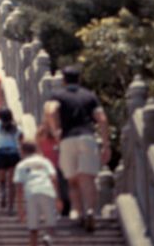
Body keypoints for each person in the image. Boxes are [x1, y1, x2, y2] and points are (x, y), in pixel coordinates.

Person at [45, 65, 110, 233]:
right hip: (87, 138)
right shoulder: (89, 96)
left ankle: (77, 211)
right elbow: (102, 119)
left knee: (72, 180)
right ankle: (90, 211)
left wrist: (55, 131)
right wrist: (106, 144)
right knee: (87, 178)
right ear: (79, 79)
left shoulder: (58, 95)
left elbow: (50, 110)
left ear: (64, 80)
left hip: (67, 139)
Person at [14, 140, 61, 246]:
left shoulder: (21, 165)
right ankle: (47, 237)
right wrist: (58, 198)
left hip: (31, 192)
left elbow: (19, 188)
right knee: (50, 223)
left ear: (22, 151)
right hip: (47, 190)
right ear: (36, 150)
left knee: (33, 228)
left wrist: (20, 208)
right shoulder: (45, 161)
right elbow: (53, 178)